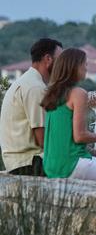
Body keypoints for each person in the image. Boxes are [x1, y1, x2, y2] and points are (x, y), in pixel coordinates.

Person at [41, 48, 96, 184]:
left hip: (50, 166)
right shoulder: (78, 93)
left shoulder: (51, 95)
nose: (86, 68)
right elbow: (79, 137)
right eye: (84, 64)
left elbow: (66, 140)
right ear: (74, 67)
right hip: (71, 164)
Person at [0, 38, 62, 175]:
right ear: (48, 59)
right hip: (30, 164)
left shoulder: (28, 81)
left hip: (19, 162)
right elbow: (43, 140)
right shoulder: (35, 88)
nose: (62, 66)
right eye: (60, 60)